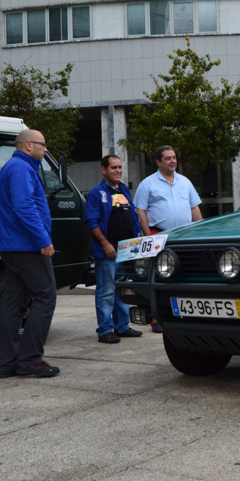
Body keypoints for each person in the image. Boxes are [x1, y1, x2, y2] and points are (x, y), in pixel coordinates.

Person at [0, 129, 60, 378]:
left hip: (12, 246)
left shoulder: (17, 166)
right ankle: (31, 359)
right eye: (43, 145)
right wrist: (43, 239)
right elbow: (24, 206)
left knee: (14, 303)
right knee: (45, 295)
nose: (45, 149)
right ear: (28, 145)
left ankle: (8, 363)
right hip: (25, 246)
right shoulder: (21, 168)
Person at [133, 145, 202, 333]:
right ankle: (158, 319)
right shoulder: (147, 184)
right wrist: (148, 236)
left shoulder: (185, 182)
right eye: (168, 158)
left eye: (174, 157)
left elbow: (194, 208)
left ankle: (185, 315)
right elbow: (141, 211)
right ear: (158, 161)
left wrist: (202, 232)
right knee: (159, 279)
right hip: (158, 236)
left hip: (185, 237)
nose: (173, 161)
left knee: (185, 276)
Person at [84, 155, 144, 344]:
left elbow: (132, 218)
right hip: (108, 251)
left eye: (120, 167)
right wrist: (105, 244)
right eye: (113, 168)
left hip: (127, 250)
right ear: (104, 170)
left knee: (123, 290)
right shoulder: (97, 193)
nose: (118, 170)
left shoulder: (124, 190)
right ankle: (104, 330)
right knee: (106, 291)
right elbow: (91, 222)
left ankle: (122, 326)